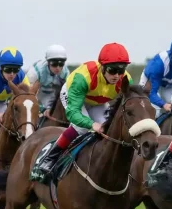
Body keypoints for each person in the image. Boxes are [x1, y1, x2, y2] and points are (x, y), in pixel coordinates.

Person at [34, 43, 132, 174]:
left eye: (121, 70)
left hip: (97, 101)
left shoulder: (126, 80)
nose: (117, 76)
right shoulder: (83, 77)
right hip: (73, 95)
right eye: (112, 70)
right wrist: (92, 124)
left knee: (107, 129)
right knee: (81, 127)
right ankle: (49, 157)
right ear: (102, 66)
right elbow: (73, 113)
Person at [24, 45, 70, 112]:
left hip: (53, 94)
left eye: (61, 64)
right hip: (37, 94)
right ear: (48, 62)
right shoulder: (35, 72)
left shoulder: (65, 72)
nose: (58, 67)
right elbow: (28, 94)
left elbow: (67, 93)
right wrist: (40, 108)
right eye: (54, 64)